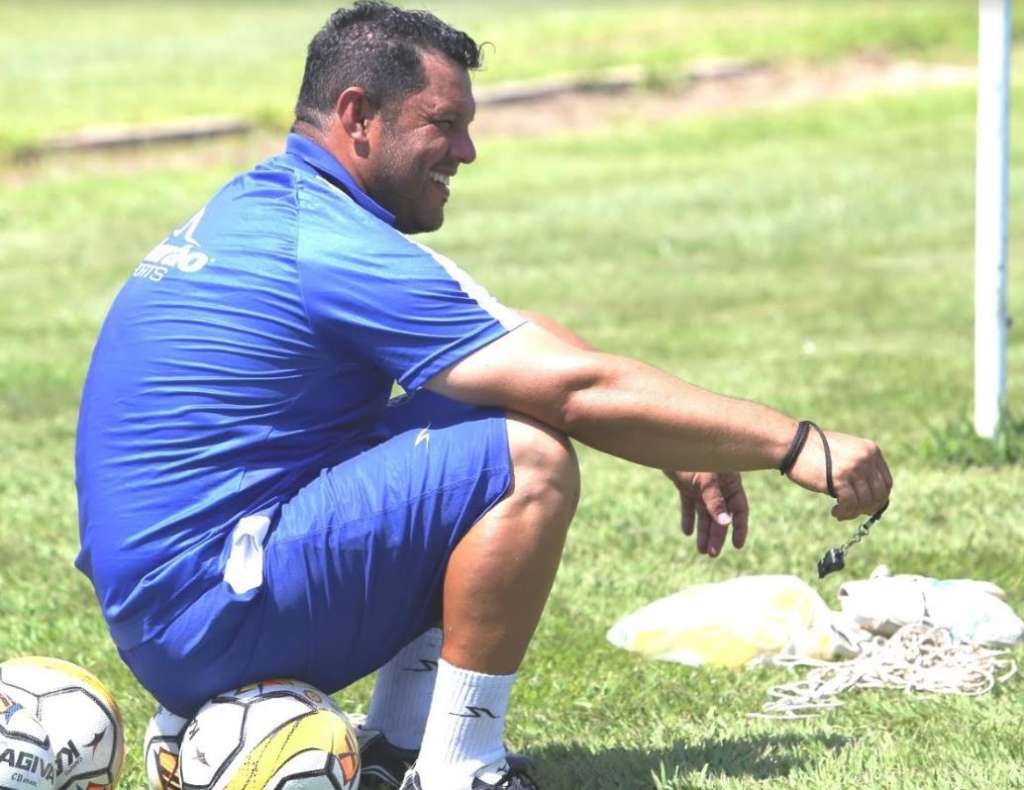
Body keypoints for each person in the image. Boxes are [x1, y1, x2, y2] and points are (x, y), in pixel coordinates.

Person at [74, 3, 892, 789]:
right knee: (525, 457)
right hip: (214, 614)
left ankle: (393, 747)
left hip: (172, 606)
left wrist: (685, 447)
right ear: (359, 116)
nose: (466, 151)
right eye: (444, 123)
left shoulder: (273, 208)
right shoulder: (333, 247)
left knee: (480, 414)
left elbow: (519, 339)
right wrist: (796, 444)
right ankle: (461, 766)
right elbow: (573, 393)